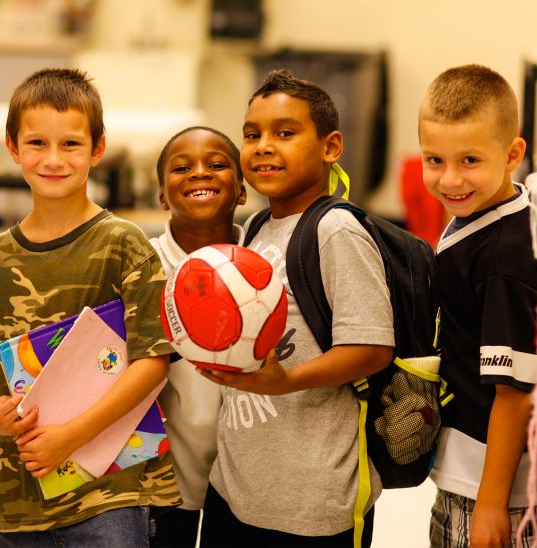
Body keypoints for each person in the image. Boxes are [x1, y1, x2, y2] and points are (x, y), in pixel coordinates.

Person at [0, 68, 181, 547]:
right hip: (19, 496)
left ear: (97, 149)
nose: (53, 159)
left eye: (71, 145)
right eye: (37, 144)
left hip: (110, 489)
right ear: (12, 147)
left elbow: (153, 363)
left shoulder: (124, 244)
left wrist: (71, 435)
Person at [196, 68, 394, 547]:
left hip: (314, 502)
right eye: (252, 134)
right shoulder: (257, 227)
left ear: (330, 147)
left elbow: (371, 347)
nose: (264, 145)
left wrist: (285, 382)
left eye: (285, 133)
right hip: (235, 490)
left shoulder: (336, 231)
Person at [420, 64, 537, 547]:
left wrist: (491, 504)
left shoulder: (504, 256)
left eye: (470, 161)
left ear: (513, 153)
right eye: (434, 160)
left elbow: (514, 391)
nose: (450, 179)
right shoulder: (489, 211)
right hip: (473, 468)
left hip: (496, 484)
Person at [149, 126, 247, 547]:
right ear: (161, 196)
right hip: (165, 478)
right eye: (182, 167)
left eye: (218, 164)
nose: (199, 173)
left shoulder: (265, 263)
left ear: (242, 191)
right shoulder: (144, 264)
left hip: (246, 483)